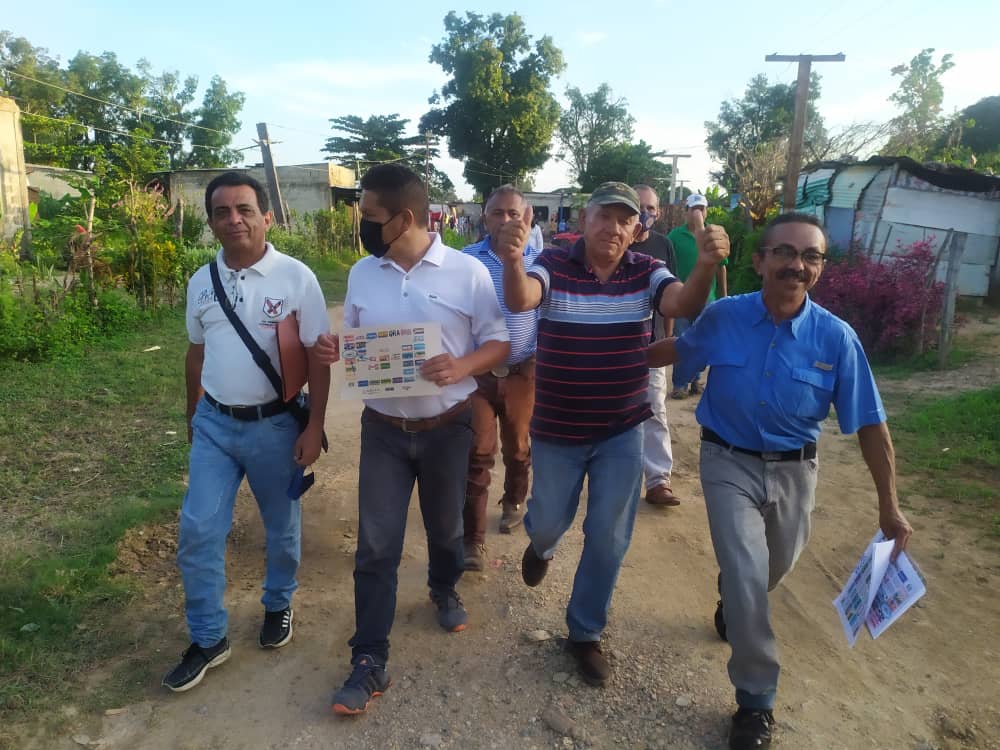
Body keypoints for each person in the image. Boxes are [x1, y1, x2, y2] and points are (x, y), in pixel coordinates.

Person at [647, 213, 913, 750]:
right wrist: (595, 357)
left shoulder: (837, 338)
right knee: (747, 575)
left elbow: (869, 422)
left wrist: (891, 505)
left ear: (818, 267)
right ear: (760, 260)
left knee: (774, 566)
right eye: (786, 253)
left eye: (810, 256)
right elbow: (679, 351)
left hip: (797, 469)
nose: (797, 265)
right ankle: (755, 701)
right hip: (728, 462)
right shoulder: (725, 317)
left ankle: (735, 601)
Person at [498, 182, 729, 687]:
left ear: (637, 229)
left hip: (622, 428)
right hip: (558, 429)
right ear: (586, 218)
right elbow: (521, 299)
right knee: (546, 524)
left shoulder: (647, 271)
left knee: (608, 535)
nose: (614, 227)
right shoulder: (555, 264)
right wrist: (513, 260)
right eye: (605, 216)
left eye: (626, 220)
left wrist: (707, 265)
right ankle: (541, 547)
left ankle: (584, 632)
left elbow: (682, 302)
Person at [314, 164, 509, 716]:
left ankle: (443, 587)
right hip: (383, 432)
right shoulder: (362, 273)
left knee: (446, 530)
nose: (363, 225)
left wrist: (463, 364)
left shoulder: (467, 273)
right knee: (376, 544)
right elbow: (354, 341)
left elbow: (499, 343)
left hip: (448, 428)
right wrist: (336, 350)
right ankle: (368, 658)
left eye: (371, 215)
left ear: (404, 218)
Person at [163, 172, 331, 693]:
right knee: (198, 530)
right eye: (221, 212)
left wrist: (316, 426)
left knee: (280, 527)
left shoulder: (297, 278)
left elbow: (319, 359)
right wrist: (194, 417)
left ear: (266, 216)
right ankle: (209, 637)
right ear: (211, 222)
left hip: (275, 428)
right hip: (214, 425)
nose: (233, 219)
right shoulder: (199, 282)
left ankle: (278, 603)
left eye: (244, 209)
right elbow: (196, 354)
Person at [460, 185, 542, 571]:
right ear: (484, 217)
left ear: (528, 219)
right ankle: (472, 541)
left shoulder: (541, 264)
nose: (506, 221)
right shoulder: (463, 261)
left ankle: (513, 500)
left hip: (523, 372)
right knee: (477, 453)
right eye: (497, 213)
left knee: (519, 447)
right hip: (475, 373)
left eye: (514, 214)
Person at [630, 184, 680, 508]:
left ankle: (659, 481)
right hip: (615, 348)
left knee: (656, 411)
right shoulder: (614, 244)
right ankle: (618, 478)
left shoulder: (664, 245)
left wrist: (667, 339)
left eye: (651, 208)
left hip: (653, 346)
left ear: (658, 212)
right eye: (639, 208)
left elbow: (671, 298)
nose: (646, 214)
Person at [667, 194, 728, 399]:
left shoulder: (713, 235)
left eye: (701, 209)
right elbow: (667, 267)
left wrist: (724, 296)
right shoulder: (675, 237)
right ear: (686, 212)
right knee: (683, 341)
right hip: (682, 298)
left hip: (708, 298)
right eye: (694, 209)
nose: (698, 213)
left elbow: (722, 268)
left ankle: (696, 380)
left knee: (703, 341)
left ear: (706, 211)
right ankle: (680, 383)